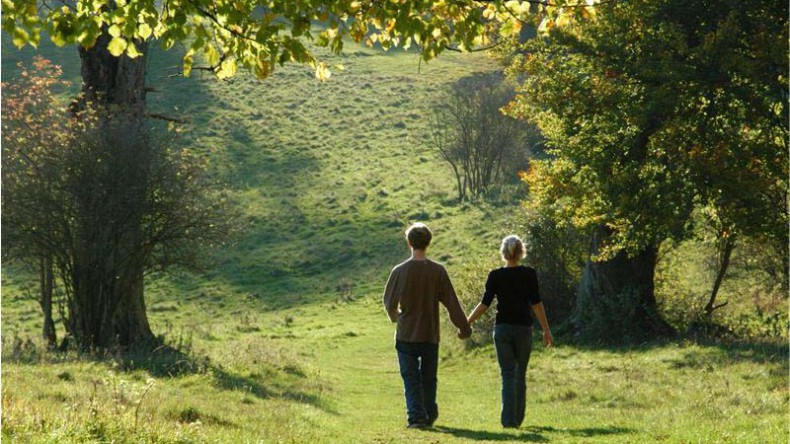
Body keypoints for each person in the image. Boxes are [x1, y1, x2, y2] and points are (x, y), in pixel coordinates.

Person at [383, 222, 472, 429]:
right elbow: (452, 303)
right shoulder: (438, 271)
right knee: (429, 377)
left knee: (410, 377)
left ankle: (416, 417)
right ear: (428, 243)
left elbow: (389, 303)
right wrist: (463, 328)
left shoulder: (400, 271)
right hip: (429, 334)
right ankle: (428, 414)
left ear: (409, 243)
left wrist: (395, 316)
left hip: (406, 334)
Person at [466, 235, 554, 429]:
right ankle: (518, 418)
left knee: (507, 374)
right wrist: (546, 329)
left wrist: (466, 322)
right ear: (521, 252)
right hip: (524, 328)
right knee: (519, 373)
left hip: (502, 329)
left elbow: (484, 304)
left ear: (503, 253)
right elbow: (537, 304)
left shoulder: (495, 275)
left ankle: (509, 421)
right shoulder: (529, 274)